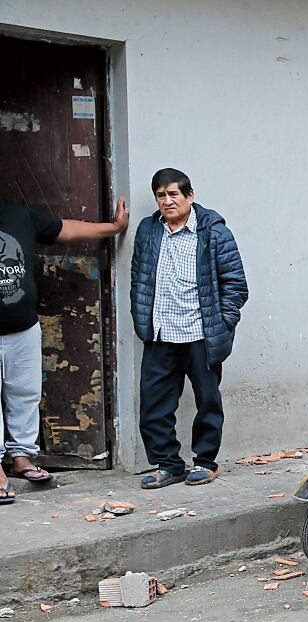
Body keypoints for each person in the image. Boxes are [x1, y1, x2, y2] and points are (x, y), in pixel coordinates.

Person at [1, 196, 129, 504]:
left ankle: (22, 456)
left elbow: (66, 230)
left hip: (23, 327)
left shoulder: (18, 214)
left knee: (25, 392)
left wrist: (113, 228)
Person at [130, 169, 248, 489]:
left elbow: (236, 285)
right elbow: (139, 277)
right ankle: (169, 464)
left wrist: (224, 323)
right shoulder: (148, 230)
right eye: (160, 195)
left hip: (201, 334)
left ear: (189, 196)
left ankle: (205, 461)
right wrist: (142, 320)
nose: (167, 201)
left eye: (173, 194)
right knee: (155, 404)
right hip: (160, 332)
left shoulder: (213, 232)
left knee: (208, 401)